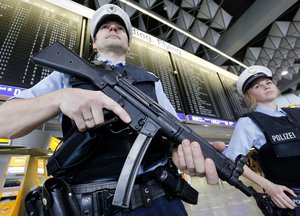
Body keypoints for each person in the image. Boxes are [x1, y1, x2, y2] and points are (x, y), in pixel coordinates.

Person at [0, 4, 221, 215]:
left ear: (129, 45)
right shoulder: (68, 75)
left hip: (160, 200)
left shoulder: (151, 81)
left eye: (120, 27)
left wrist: (182, 154)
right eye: (105, 26)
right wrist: (59, 98)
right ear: (94, 43)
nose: (113, 28)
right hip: (89, 205)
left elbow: (175, 135)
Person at [225, 65, 300, 215]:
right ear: (248, 96)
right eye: (258, 86)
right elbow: (232, 160)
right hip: (291, 199)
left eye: (268, 83)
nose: (266, 87)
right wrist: (269, 186)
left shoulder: (297, 113)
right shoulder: (249, 122)